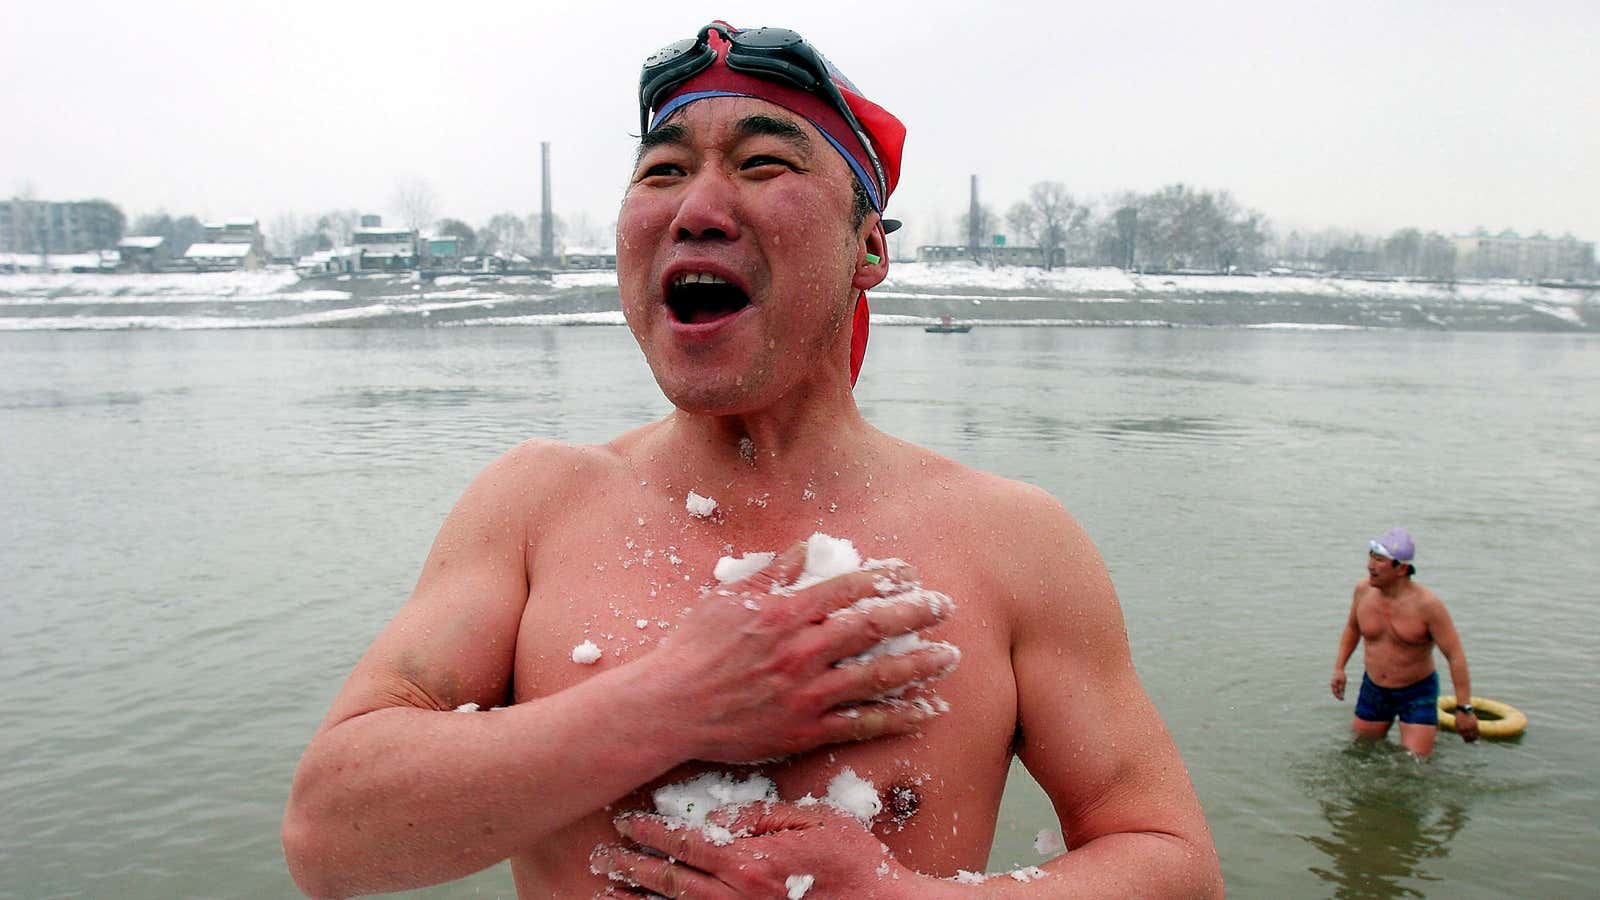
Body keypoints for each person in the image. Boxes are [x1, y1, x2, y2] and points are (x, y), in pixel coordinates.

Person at [283, 21, 1221, 899]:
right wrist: (670, 704)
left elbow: (1175, 863)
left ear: (868, 247)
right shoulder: (534, 505)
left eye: (764, 162)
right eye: (661, 172)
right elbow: (328, 838)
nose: (696, 207)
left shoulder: (1015, 540)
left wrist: (897, 898)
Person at [1331, 527, 1480, 757]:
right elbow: (1353, 628)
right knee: (1359, 753)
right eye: (1370, 556)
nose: (1370, 565)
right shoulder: (1363, 591)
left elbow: (1455, 655)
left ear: (1401, 569)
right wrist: (1339, 668)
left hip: (1416, 692)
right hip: (1374, 689)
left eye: (1379, 560)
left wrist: (1464, 708)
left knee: (1414, 764)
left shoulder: (1428, 606)